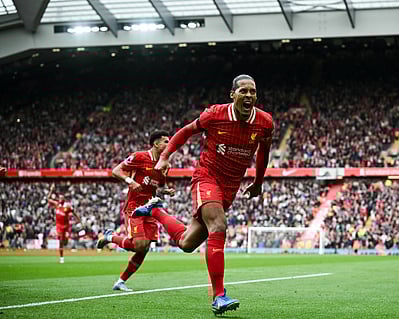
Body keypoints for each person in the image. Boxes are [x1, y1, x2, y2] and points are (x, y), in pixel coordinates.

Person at [134, 74, 274, 315]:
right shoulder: (215, 114)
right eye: (243, 91)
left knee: (188, 243)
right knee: (219, 225)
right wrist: (166, 156)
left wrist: (258, 181)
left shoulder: (265, 122)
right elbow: (185, 132)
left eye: (252, 91)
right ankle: (219, 296)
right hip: (206, 177)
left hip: (230, 186)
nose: (249, 95)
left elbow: (263, 152)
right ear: (233, 94)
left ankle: (155, 210)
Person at [96, 130, 174, 292]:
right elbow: (116, 171)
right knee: (139, 245)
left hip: (151, 208)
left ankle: (120, 281)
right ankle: (110, 237)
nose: (169, 144)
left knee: (144, 248)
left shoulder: (164, 164)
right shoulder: (139, 156)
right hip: (134, 207)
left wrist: (167, 191)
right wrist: (130, 181)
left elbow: (159, 187)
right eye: (166, 141)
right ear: (156, 143)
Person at [47, 184, 81, 263]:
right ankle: (61, 257)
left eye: (62, 198)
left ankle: (65, 242)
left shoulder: (67, 207)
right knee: (60, 241)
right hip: (59, 226)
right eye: (60, 198)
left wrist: (78, 219)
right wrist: (51, 190)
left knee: (65, 241)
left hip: (66, 226)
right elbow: (48, 198)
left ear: (64, 199)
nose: (60, 199)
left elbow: (74, 212)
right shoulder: (56, 205)